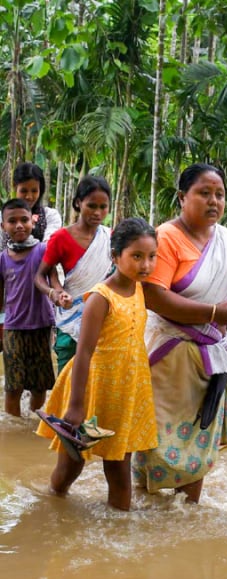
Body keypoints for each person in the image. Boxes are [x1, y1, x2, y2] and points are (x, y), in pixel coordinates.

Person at [133, 164, 227, 502]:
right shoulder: (167, 237)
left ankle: (187, 517)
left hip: (215, 358)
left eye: (219, 194)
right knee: (159, 442)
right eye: (204, 193)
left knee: (200, 441)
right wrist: (215, 313)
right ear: (182, 197)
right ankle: (147, 519)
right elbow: (154, 296)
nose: (213, 200)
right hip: (169, 357)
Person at [35, 218, 160, 511]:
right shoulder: (100, 298)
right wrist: (76, 406)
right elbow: (85, 353)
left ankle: (118, 535)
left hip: (126, 390)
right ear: (115, 257)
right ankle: (49, 510)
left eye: (152, 256)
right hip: (92, 389)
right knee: (71, 466)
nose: (146, 265)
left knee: (119, 469)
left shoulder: (141, 289)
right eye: (137, 256)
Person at [35, 176, 113, 373]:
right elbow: (39, 276)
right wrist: (54, 294)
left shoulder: (110, 237)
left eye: (103, 207)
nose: (98, 212)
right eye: (91, 205)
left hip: (103, 318)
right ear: (78, 203)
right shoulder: (61, 238)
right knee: (66, 380)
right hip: (70, 317)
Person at [0, 199, 54, 416]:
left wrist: (58, 294)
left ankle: (34, 425)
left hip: (41, 326)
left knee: (39, 386)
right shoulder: (2, 259)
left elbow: (53, 279)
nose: (19, 225)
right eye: (12, 221)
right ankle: (15, 431)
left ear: (33, 221)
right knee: (13, 387)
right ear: (3, 226)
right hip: (13, 327)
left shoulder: (43, 251)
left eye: (24, 219)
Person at [0, 162, 62, 249]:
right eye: (24, 191)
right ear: (15, 187)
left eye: (34, 191)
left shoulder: (50, 216)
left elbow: (49, 247)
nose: (29, 196)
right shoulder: (2, 217)